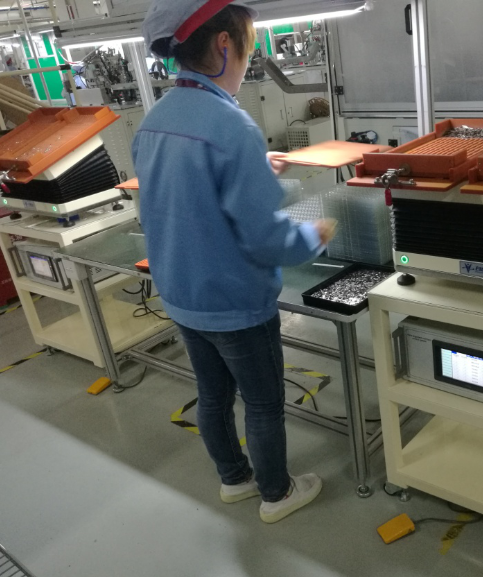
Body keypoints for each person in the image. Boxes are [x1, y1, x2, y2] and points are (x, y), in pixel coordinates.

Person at [133, 0, 337, 524]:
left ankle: (234, 479)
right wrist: (312, 236)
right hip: (235, 302)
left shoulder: (156, 120)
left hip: (183, 296)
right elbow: (267, 239)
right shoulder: (231, 126)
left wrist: (254, 165)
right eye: (249, 44)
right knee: (263, 403)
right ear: (225, 44)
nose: (250, 57)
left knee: (213, 395)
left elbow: (179, 190)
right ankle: (277, 493)